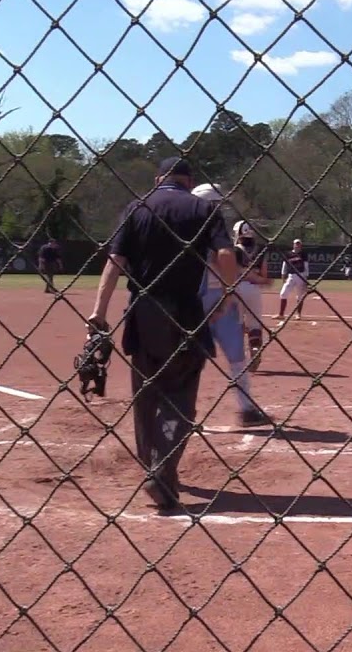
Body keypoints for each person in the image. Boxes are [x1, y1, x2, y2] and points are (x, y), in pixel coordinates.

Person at [86, 157, 267, 511]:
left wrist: (98, 312)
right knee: (181, 393)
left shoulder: (136, 207)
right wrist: (229, 293)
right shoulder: (202, 208)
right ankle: (162, 468)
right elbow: (227, 254)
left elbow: (114, 263)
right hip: (185, 312)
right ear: (189, 180)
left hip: (143, 311)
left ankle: (153, 468)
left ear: (159, 179)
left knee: (146, 393)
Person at [191, 185, 268, 418]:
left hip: (202, 300)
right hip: (213, 300)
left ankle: (184, 408)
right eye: (216, 204)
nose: (219, 209)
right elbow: (225, 261)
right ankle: (245, 408)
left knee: (197, 358)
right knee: (233, 355)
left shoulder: (191, 231)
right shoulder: (208, 231)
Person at [232, 219, 271, 369]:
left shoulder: (234, 250)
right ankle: (255, 349)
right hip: (254, 289)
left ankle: (238, 357)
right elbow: (264, 273)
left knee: (236, 323)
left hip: (237, 287)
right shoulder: (261, 249)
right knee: (254, 324)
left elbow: (230, 271)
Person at [276, 238, 309, 321]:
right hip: (291, 276)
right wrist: (283, 275)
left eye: (298, 244)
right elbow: (285, 265)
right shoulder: (288, 254)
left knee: (300, 296)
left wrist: (305, 278)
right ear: (293, 245)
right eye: (296, 244)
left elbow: (306, 267)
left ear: (301, 245)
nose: (297, 246)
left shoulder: (303, 254)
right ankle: (281, 314)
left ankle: (298, 314)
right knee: (283, 293)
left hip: (301, 276)